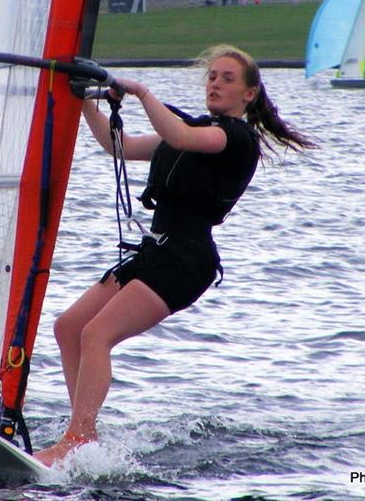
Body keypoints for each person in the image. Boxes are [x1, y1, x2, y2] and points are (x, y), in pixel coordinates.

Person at [33, 45, 316, 467]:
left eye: (227, 78)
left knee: (97, 335)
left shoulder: (234, 137)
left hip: (187, 259)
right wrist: (86, 101)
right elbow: (120, 146)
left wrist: (142, 93)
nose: (216, 83)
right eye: (212, 77)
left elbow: (181, 136)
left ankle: (77, 438)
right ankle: (83, 436)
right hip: (155, 251)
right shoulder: (190, 130)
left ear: (249, 94)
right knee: (69, 326)